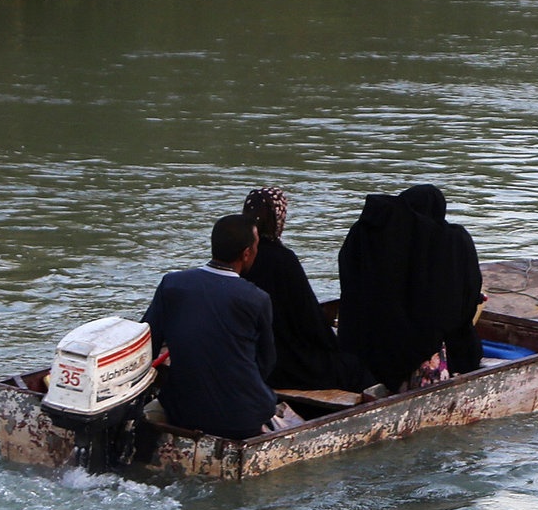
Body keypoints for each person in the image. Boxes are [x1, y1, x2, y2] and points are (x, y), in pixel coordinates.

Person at [142, 214, 302, 439]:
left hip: (183, 411)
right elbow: (265, 364)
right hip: (242, 418)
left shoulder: (172, 284)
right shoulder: (257, 299)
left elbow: (146, 344)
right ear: (246, 254)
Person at [336, 184, 485, 391]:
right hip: (413, 354)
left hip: (358, 347)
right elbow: (454, 311)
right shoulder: (446, 240)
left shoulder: (369, 232)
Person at [240, 186, 372, 393]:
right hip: (283, 363)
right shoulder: (283, 259)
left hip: (250, 355)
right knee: (353, 368)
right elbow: (309, 321)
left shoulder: (237, 256)